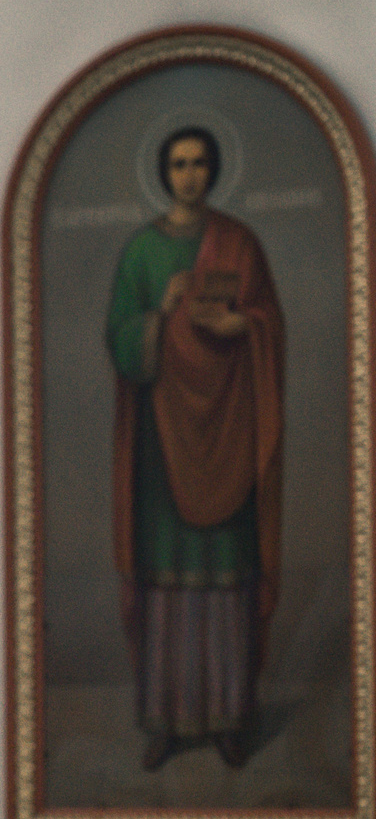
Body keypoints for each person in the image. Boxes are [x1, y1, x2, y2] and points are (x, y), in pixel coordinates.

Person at [106, 123, 285, 771]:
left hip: (229, 434)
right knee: (167, 581)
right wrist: (161, 310)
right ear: (164, 172)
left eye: (200, 163)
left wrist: (242, 325)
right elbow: (120, 340)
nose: (190, 175)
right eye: (179, 164)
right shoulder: (141, 251)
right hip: (163, 437)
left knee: (228, 578)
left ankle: (230, 719)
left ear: (213, 171)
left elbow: (269, 322)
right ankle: (168, 723)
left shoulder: (240, 243)